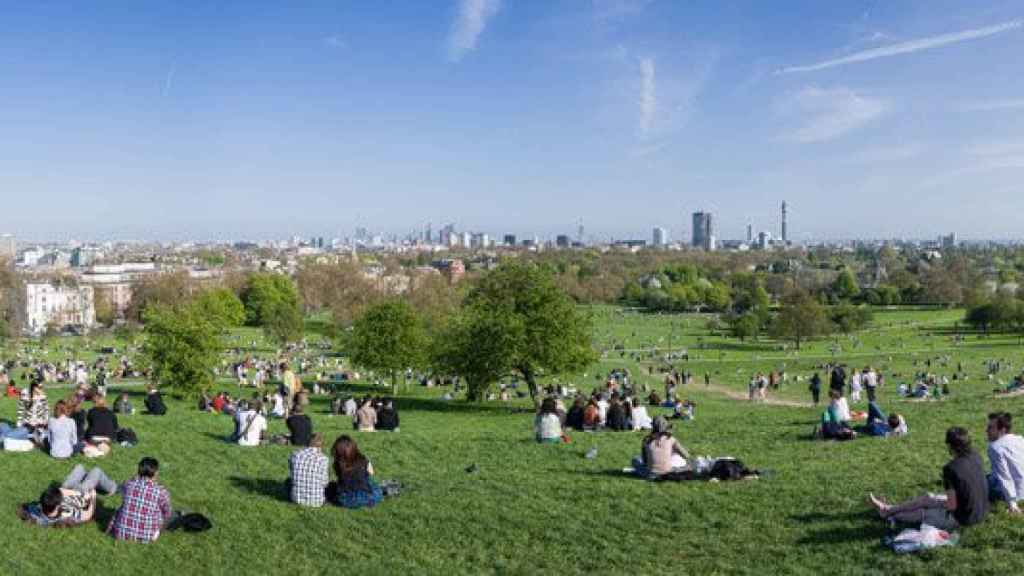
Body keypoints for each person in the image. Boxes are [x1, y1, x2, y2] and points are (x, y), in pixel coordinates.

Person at [869, 427, 989, 530]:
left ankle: (890, 515)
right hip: (980, 509)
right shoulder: (976, 456)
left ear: (949, 445)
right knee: (928, 498)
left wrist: (936, 504)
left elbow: (951, 506)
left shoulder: (951, 469)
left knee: (922, 512)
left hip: (963, 518)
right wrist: (934, 501)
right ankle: (888, 509)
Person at [22, 465, 118, 527]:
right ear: (58, 506)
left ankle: (85, 477)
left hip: (66, 493)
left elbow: (29, 509)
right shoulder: (66, 516)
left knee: (79, 468)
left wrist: (64, 492)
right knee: (96, 471)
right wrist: (92, 497)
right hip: (81, 496)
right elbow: (87, 516)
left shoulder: (37, 512)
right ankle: (113, 488)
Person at [109, 457, 172, 542]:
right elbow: (167, 513)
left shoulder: (128, 484)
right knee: (166, 514)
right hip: (146, 536)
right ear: (156, 473)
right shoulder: (161, 491)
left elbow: (121, 488)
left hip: (120, 532)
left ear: (138, 470)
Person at [986, 412, 1024, 514]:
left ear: (1002, 430)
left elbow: (1004, 476)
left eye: (990, 428)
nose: (986, 430)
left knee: (975, 483)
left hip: (1016, 492)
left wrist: (1012, 503)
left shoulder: (995, 448)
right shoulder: (1020, 439)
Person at [331, 435, 383, 509]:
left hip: (345, 500)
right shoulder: (363, 460)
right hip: (365, 497)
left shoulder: (337, 464)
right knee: (375, 487)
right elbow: (371, 473)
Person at [288, 433, 329, 507]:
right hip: (316, 502)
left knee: (288, 481)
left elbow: (292, 475)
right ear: (320, 446)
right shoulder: (323, 459)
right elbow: (324, 483)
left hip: (295, 499)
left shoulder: (295, 455)